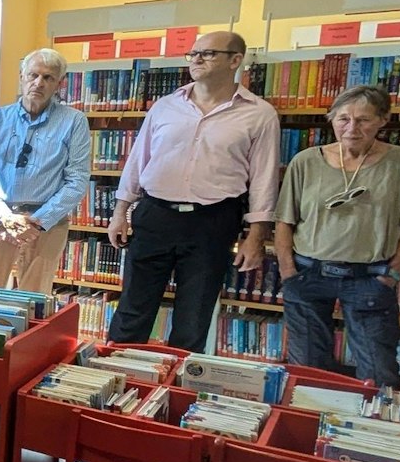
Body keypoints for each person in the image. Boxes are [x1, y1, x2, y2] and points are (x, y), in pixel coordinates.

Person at [107, 31, 280, 351]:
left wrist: (256, 235)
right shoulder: (165, 106)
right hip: (154, 215)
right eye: (193, 53)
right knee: (133, 309)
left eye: (208, 53)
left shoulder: (260, 114)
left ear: (235, 60)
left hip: (212, 221)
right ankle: (117, 379)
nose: (196, 60)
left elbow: (264, 179)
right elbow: (137, 160)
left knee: (193, 315)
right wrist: (120, 213)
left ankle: (175, 389)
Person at [274, 86, 400, 387]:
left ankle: (375, 431)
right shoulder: (305, 161)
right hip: (308, 274)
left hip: (369, 278)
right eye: (343, 118)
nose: (351, 128)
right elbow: (284, 220)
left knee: (379, 370)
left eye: (364, 120)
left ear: (383, 120)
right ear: (331, 119)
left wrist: (393, 273)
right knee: (305, 370)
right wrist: (287, 271)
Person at [0, 49, 92, 294]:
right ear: (22, 76)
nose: (38, 83)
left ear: (59, 84)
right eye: (33, 75)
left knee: (33, 299)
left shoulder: (74, 122)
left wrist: (39, 221)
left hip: (45, 223)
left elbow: (77, 180)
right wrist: (5, 216)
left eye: (48, 78)